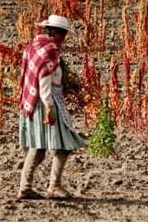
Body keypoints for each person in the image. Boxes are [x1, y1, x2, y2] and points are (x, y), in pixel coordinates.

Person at [17, 14, 85, 200]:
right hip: (46, 102)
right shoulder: (49, 51)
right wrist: (50, 108)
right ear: (55, 32)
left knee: (37, 147)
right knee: (63, 147)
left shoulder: (34, 47)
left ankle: (25, 187)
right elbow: (44, 82)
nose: (63, 39)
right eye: (62, 35)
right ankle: (54, 186)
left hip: (32, 103)